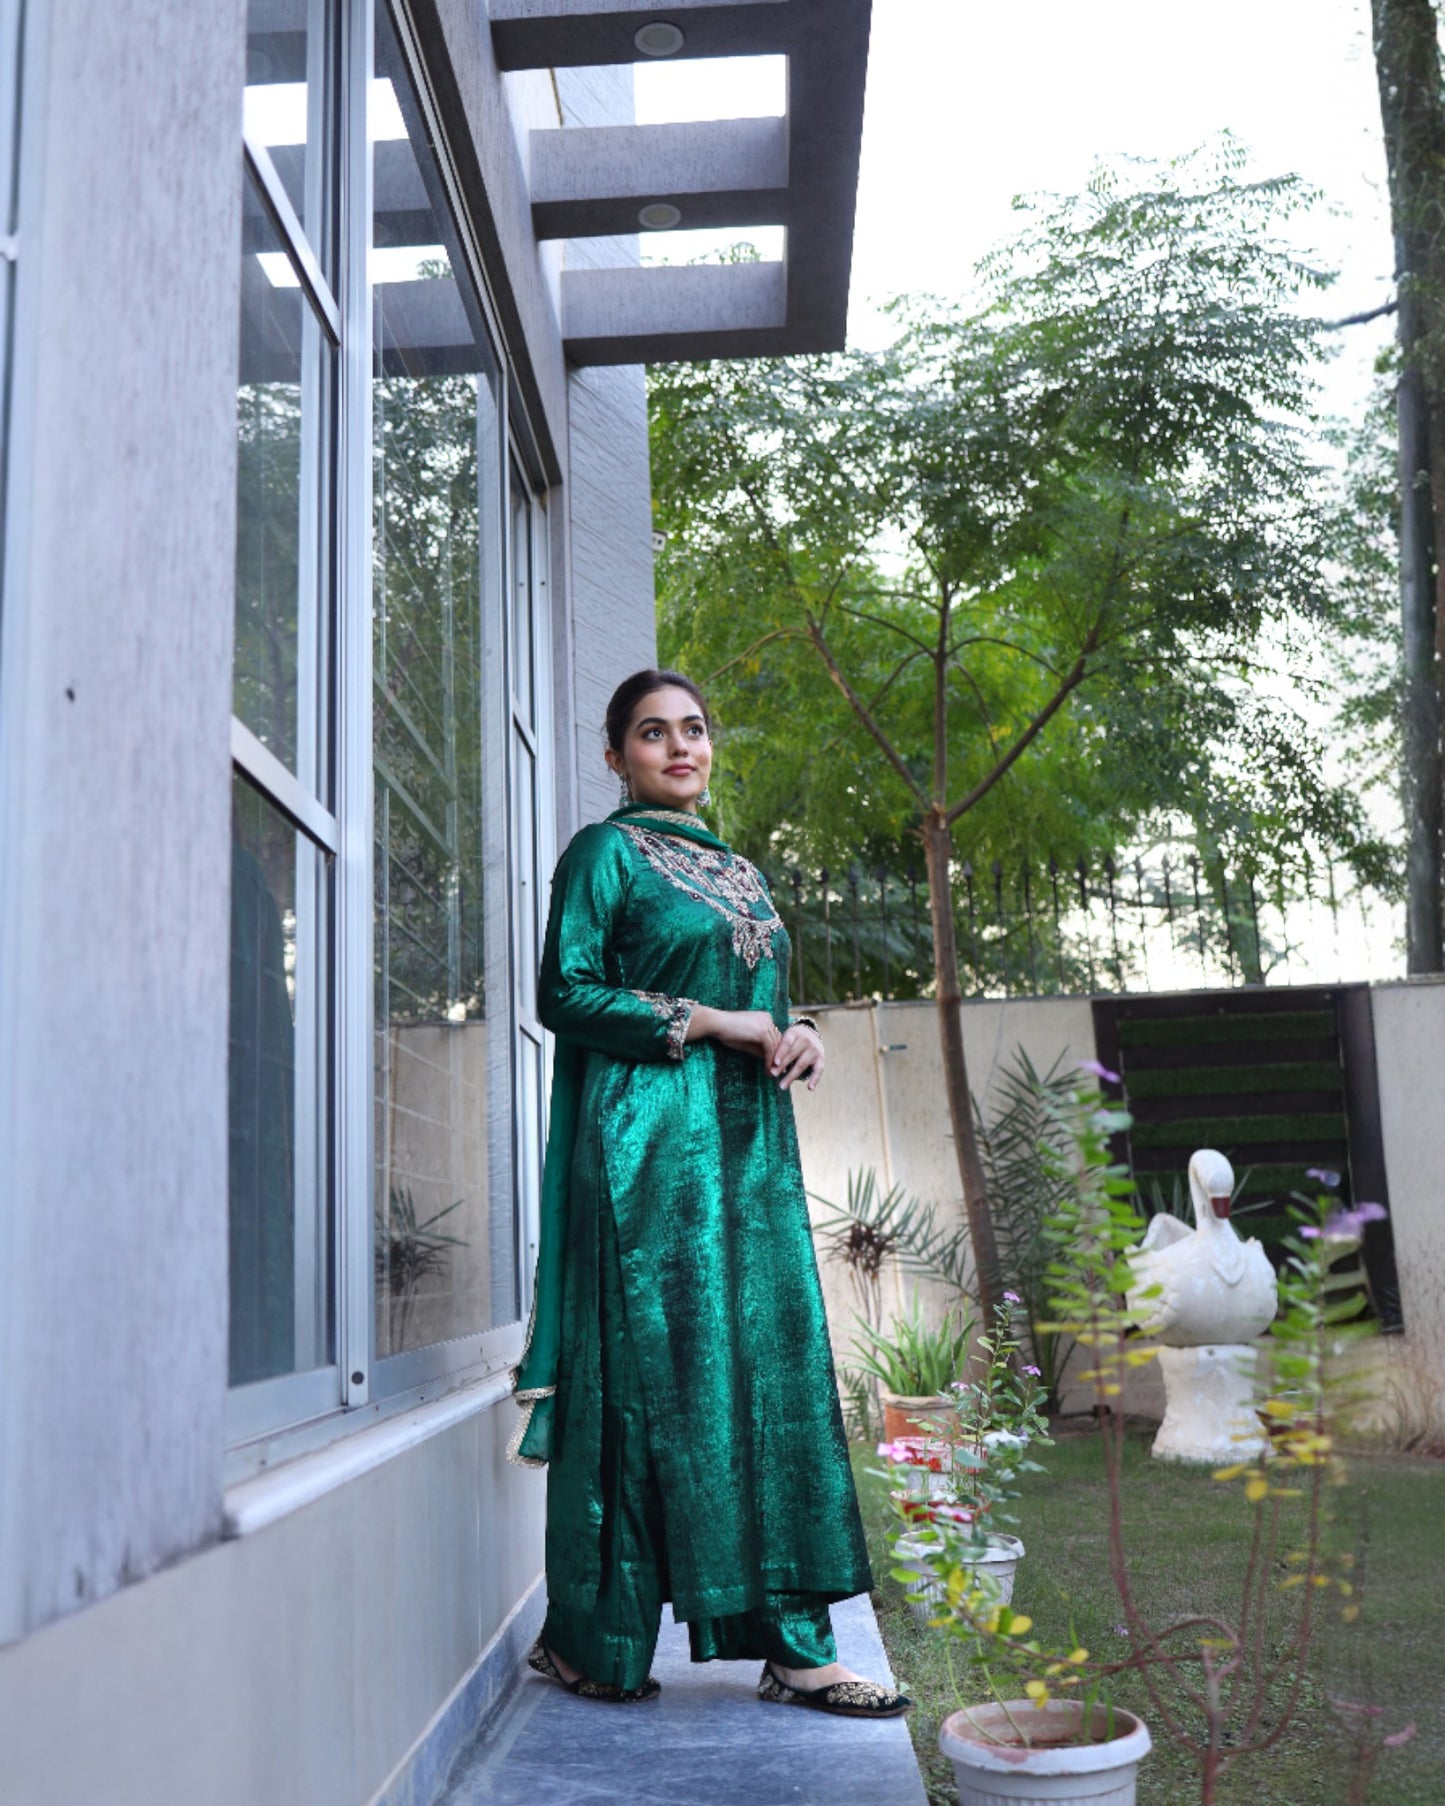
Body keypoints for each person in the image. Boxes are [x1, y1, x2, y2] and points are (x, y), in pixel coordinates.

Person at [508, 669, 911, 1718]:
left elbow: (762, 995)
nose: (679, 747)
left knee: (765, 1373)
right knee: (642, 1384)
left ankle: (795, 1651)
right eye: (653, 733)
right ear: (615, 756)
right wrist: (709, 1023)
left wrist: (797, 1030)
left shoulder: (736, 870)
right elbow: (563, 990)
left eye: (692, 729)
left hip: (744, 1155)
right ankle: (593, 1641)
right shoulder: (604, 854)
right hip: (643, 1153)